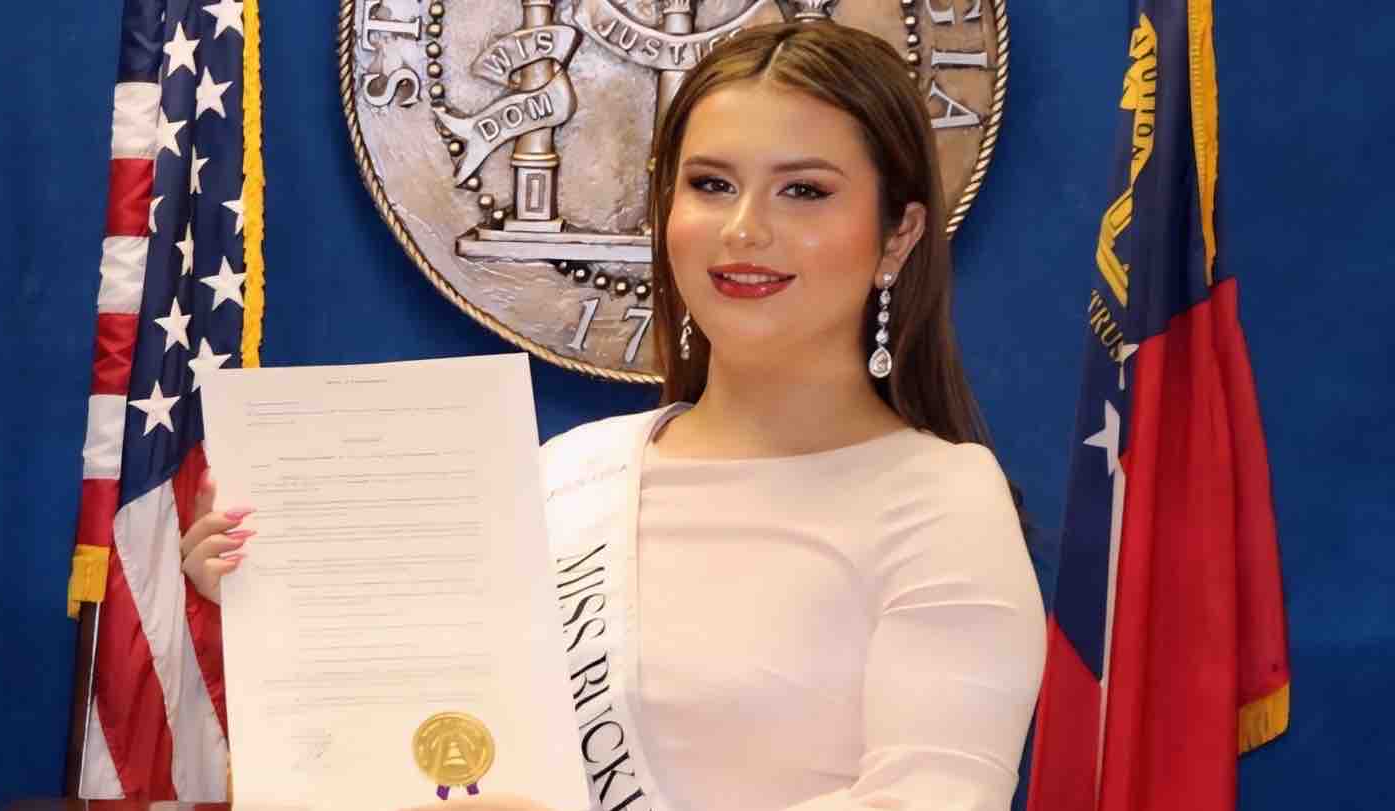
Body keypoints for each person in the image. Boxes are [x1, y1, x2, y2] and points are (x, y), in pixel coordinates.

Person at [183, 20, 1046, 811]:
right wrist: (281, 603)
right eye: (711, 184)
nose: (744, 228)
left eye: (804, 191)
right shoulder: (568, 474)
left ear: (897, 235)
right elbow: (434, 744)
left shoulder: (941, 501)